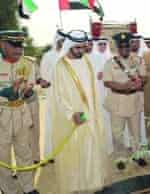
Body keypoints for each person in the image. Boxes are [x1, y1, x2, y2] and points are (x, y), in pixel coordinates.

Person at [50, 30, 108, 194]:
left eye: (84, 47)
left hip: (91, 116)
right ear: (69, 46)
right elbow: (58, 97)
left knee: (91, 151)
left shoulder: (87, 62)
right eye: (78, 48)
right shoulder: (60, 67)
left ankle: (91, 184)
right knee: (74, 153)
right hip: (73, 119)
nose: (82, 51)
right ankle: (75, 186)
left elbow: (93, 90)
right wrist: (71, 114)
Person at [0, 30, 39, 194]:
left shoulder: (28, 64)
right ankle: (7, 190)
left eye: (20, 45)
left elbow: (29, 87)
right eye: (14, 45)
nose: (18, 49)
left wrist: (28, 92)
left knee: (25, 153)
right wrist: (5, 91)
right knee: (3, 157)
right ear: (2, 45)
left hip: (21, 113)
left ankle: (28, 187)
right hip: (1, 115)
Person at [103, 32, 146, 169]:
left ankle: (138, 155)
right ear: (118, 48)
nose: (125, 50)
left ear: (130, 46)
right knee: (117, 133)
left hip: (134, 101)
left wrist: (141, 83)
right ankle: (120, 157)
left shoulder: (138, 60)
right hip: (117, 102)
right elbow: (107, 82)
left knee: (136, 132)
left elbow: (144, 77)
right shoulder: (110, 63)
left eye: (127, 47)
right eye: (122, 48)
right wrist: (122, 87)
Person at [40, 30, 65, 158]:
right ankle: (51, 153)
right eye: (60, 41)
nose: (62, 43)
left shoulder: (67, 55)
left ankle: (64, 152)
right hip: (52, 93)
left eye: (64, 41)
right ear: (56, 41)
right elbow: (43, 75)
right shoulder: (48, 56)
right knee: (51, 123)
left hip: (66, 95)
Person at [88, 37, 114, 154]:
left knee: (104, 118)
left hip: (101, 94)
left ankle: (107, 146)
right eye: (86, 43)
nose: (88, 46)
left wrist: (103, 74)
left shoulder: (100, 57)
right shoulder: (79, 59)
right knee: (88, 119)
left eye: (89, 43)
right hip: (86, 97)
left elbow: (108, 74)